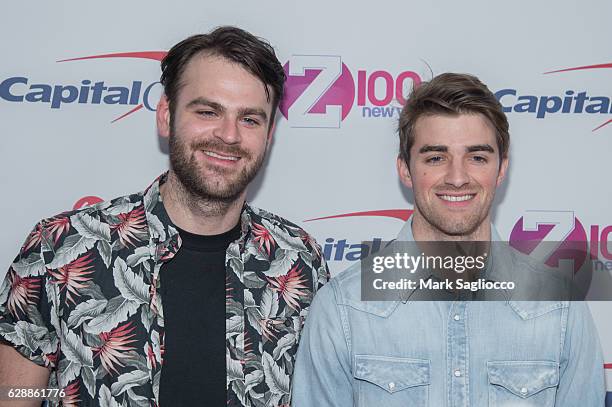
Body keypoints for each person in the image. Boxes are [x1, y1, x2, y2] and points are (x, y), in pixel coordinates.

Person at [0, 26, 328, 407]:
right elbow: (14, 396)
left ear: (269, 135)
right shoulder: (61, 248)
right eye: (208, 111)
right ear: (165, 116)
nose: (229, 135)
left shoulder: (298, 261)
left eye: (250, 119)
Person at [292, 73, 604, 406]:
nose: (457, 178)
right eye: (436, 158)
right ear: (405, 169)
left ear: (501, 169)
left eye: (477, 157)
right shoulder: (343, 309)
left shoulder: (560, 310)